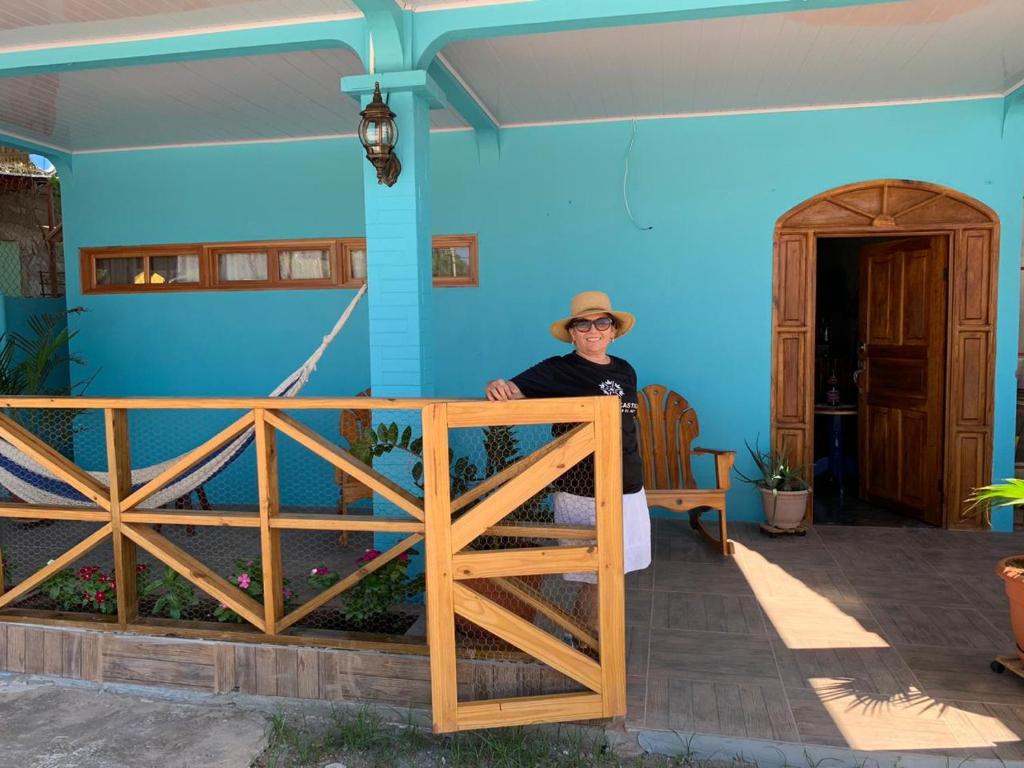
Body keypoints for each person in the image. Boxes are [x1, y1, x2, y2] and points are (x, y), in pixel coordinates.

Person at [485, 290, 651, 631]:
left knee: (615, 572)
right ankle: (589, 646)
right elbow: (510, 390)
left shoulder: (626, 371)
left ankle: (601, 643)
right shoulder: (558, 369)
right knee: (590, 576)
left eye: (602, 322)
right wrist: (497, 385)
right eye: (583, 324)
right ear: (572, 333)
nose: (594, 330)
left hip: (628, 485)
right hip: (583, 488)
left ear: (613, 330)